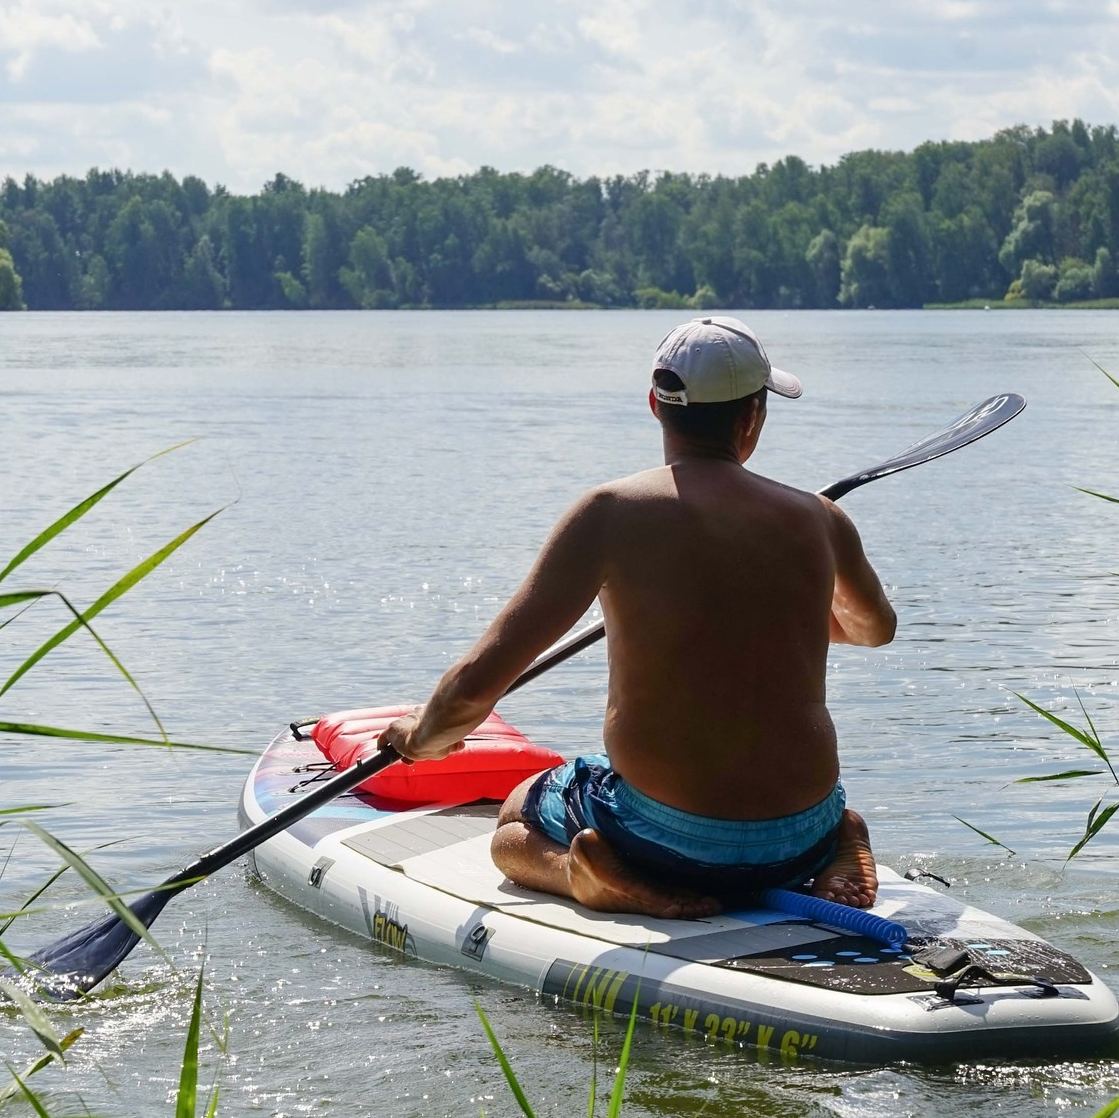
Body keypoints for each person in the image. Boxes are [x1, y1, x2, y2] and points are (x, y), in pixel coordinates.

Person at [379, 317, 897, 919]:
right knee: (806, 812)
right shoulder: (821, 518)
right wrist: (783, 608)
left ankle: (585, 874)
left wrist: (419, 738)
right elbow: (873, 629)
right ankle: (841, 835)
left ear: (656, 405)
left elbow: (473, 688)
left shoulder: (610, 513)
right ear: (753, 415)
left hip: (668, 846)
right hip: (799, 835)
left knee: (514, 823)